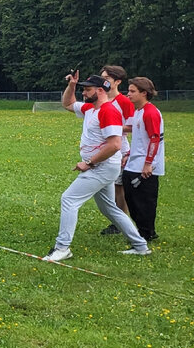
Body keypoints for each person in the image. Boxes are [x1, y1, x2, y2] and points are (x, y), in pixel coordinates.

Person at [42, 71, 150, 262]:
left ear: (100, 91)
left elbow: (115, 144)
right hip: (102, 167)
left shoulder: (108, 111)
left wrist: (89, 162)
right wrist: (72, 85)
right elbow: (67, 104)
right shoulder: (90, 110)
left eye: (87, 89)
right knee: (110, 208)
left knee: (68, 199)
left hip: (102, 167)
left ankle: (62, 247)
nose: (84, 93)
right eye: (83, 89)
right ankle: (140, 246)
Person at [122, 76, 164, 243]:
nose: (128, 94)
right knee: (130, 196)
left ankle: (147, 232)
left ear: (144, 93)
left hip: (145, 166)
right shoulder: (138, 112)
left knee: (144, 200)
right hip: (134, 162)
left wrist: (148, 164)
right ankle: (141, 229)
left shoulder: (150, 112)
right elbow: (140, 138)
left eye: (132, 91)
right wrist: (129, 153)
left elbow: (154, 139)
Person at [98, 64, 134, 236]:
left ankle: (120, 224)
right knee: (109, 186)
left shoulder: (124, 102)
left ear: (117, 82)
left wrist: (114, 128)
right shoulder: (102, 100)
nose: (104, 82)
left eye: (107, 79)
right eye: (102, 78)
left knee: (119, 187)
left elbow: (134, 126)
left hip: (120, 149)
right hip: (104, 148)